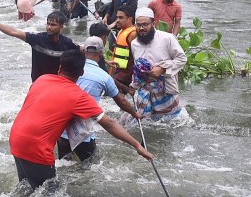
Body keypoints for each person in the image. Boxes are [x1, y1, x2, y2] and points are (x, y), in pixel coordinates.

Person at [9, 49, 153, 190]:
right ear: (81, 73)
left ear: (60, 67)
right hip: (37, 148)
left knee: (26, 189)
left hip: (16, 139)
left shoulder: (42, 79)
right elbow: (109, 124)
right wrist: (137, 146)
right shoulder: (79, 97)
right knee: (50, 192)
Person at [57, 38, 142, 162]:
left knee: (64, 163)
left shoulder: (71, 69)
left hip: (62, 130)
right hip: (83, 133)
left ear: (84, 51)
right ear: (101, 54)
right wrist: (135, 113)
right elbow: (121, 101)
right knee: (91, 165)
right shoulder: (104, 77)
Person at [129, 7, 187, 120]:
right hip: (144, 91)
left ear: (153, 24)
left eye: (145, 24)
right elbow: (137, 69)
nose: (142, 28)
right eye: (138, 25)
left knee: (170, 122)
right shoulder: (134, 44)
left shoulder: (167, 38)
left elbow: (182, 59)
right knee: (144, 122)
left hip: (166, 90)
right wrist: (133, 86)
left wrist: (162, 69)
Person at [0, 12, 79, 82]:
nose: (49, 27)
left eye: (53, 25)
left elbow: (83, 53)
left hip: (56, 84)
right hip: (38, 83)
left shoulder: (67, 44)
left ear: (61, 27)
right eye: (48, 24)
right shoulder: (37, 39)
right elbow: (13, 32)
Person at [106, 6, 137, 94]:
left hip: (126, 76)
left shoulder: (133, 34)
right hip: (118, 72)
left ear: (129, 19)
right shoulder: (122, 31)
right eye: (117, 17)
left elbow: (138, 56)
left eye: (121, 17)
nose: (117, 20)